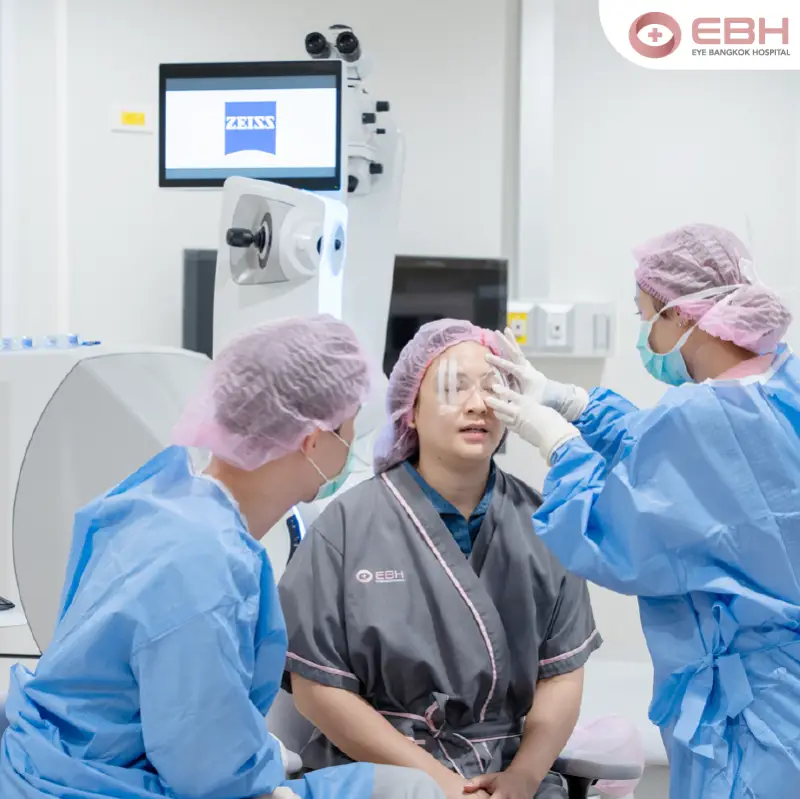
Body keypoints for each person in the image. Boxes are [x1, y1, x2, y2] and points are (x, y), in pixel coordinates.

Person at [0, 315, 444, 799]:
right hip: (99, 786)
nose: (352, 443)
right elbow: (205, 770)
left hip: (54, 759)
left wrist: (256, 751)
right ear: (313, 440)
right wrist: (265, 771)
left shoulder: (163, 497)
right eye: (351, 426)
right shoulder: (204, 562)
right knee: (410, 791)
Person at [484, 224, 800, 799]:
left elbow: (613, 530)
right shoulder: (781, 386)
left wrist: (558, 444)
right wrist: (573, 403)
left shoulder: (703, 418)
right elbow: (686, 467)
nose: (644, 332)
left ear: (679, 315)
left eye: (645, 315)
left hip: (754, 722)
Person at [278, 319, 602, 799]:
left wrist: (524, 777)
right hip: (380, 775)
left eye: (493, 388)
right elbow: (317, 688)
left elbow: (562, 673)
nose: (478, 404)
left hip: (508, 775)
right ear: (410, 409)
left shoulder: (544, 522)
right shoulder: (346, 525)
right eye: (454, 387)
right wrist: (439, 784)